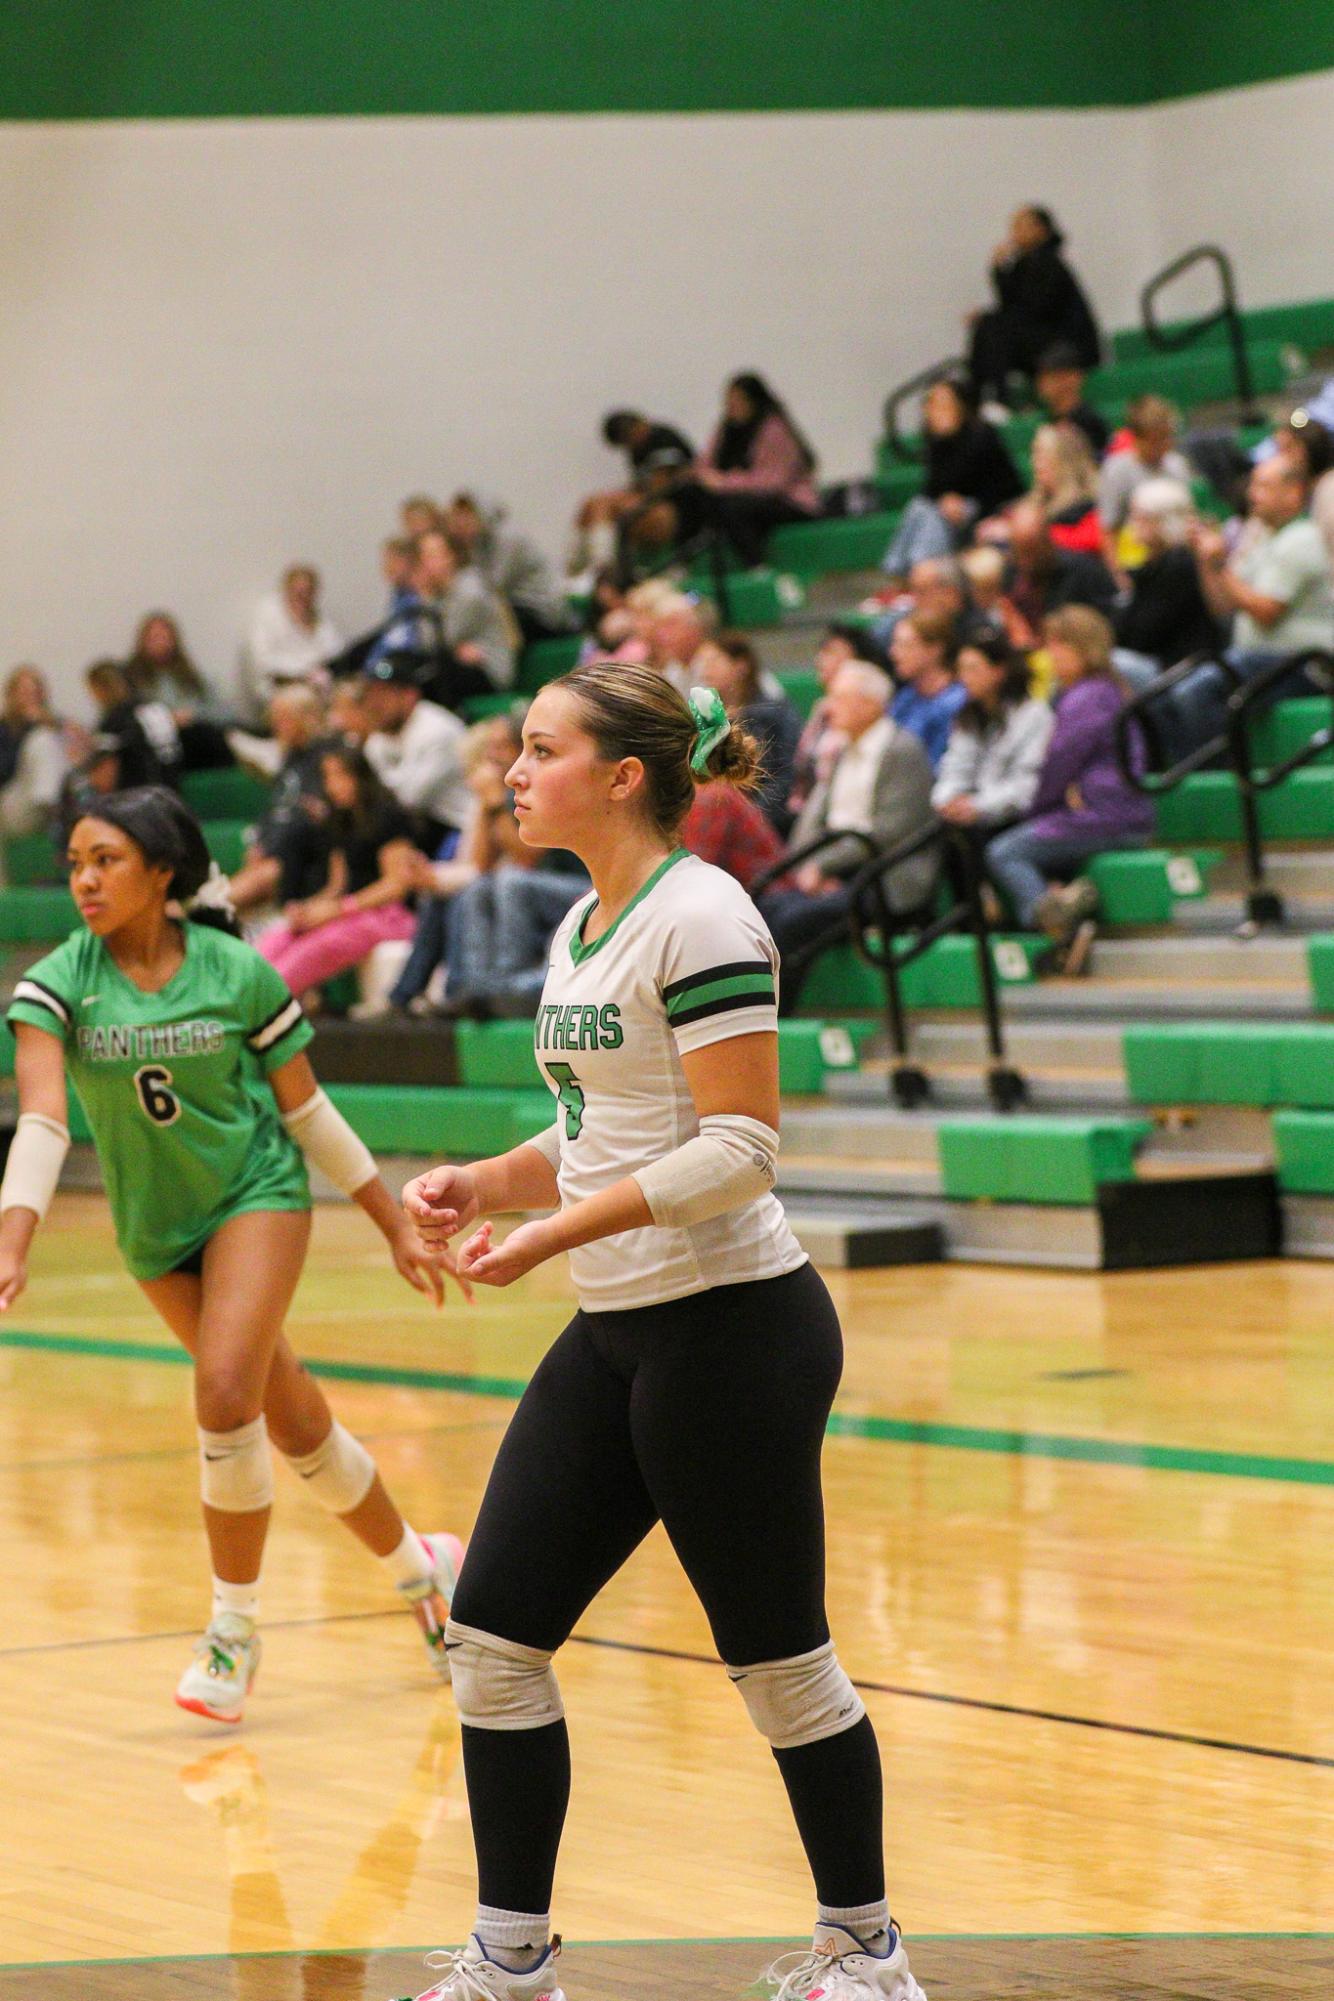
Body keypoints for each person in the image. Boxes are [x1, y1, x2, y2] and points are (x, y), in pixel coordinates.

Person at [394, 661, 929, 2001]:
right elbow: (599, 1136)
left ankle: (867, 1953)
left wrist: (555, 1232)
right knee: (495, 1637)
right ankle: (512, 1960)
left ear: (620, 774)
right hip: (620, 1326)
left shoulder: (705, 917)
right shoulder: (587, 922)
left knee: (775, 1658)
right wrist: (485, 1182)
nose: (511, 773)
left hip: (734, 1333)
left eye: (537, 749)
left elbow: (741, 1150)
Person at [0, 786, 465, 1725]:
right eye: (77, 863)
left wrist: (388, 1219)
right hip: (152, 1230)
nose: (85, 880)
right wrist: (16, 1235)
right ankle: (427, 1572)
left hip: (256, 1194)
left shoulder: (236, 970)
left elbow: (306, 1111)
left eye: (107, 860)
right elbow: (45, 1116)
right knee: (297, 1429)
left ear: (163, 872)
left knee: (222, 1393)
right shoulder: (55, 984)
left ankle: (233, 1631)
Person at [760, 662, 939, 1007]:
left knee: (796, 921)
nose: (828, 706)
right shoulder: (842, 749)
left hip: (884, 874)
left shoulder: (903, 750)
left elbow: (889, 831)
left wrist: (823, 867)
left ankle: (780, 1016)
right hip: (840, 869)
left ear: (872, 705)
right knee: (766, 907)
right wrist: (804, 867)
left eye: (840, 698)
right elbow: (815, 818)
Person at [983, 607, 1153, 964]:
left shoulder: (1086, 697)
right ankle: (1062, 908)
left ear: (1083, 648)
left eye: (1058, 645)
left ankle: (1056, 926)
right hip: (1112, 811)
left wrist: (1033, 812)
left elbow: (1059, 764)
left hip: (1107, 815)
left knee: (1005, 851)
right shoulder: (1106, 689)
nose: (1050, 655)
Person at [259, 744, 422, 1002]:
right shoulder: (339, 820)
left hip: (390, 914)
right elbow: (338, 884)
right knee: (277, 939)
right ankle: (246, 999)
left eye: (340, 775)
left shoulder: (389, 816)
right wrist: (309, 909)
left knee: (312, 950)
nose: (333, 784)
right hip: (351, 910)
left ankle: (261, 1006)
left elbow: (397, 885)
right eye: (328, 776)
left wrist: (340, 908)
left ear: (361, 776)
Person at [880, 375, 1023, 579]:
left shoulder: (983, 436)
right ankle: (899, 570)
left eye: (943, 404)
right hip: (952, 512)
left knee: (934, 515)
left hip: (990, 509)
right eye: (931, 405)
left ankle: (924, 571)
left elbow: (1002, 489)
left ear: (960, 406)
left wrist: (956, 503)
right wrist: (945, 499)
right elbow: (932, 490)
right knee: (920, 507)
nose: (935, 411)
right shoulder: (936, 443)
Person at [672, 372, 821, 567]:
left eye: (737, 400)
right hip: (744, 495)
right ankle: (684, 563)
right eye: (728, 400)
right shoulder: (726, 428)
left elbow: (772, 482)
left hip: (788, 501)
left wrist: (724, 482)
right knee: (690, 494)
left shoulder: (773, 429)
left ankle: (757, 567)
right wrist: (700, 476)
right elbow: (705, 463)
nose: (731, 406)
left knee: (733, 508)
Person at [967, 207, 1101, 407]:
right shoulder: (1023, 264)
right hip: (1040, 338)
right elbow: (1012, 305)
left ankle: (997, 398)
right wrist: (1000, 270)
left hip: (1066, 342)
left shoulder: (1049, 264)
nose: (1015, 233)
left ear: (1042, 229)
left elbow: (1036, 310)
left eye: (1022, 226)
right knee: (988, 326)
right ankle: (984, 397)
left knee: (992, 325)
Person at [373, 528, 518, 708]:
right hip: (460, 665)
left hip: (489, 672)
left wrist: (424, 594)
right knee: (401, 661)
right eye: (423, 557)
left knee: (431, 671)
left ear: (452, 557)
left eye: (433, 555)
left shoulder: (470, 591)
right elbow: (426, 643)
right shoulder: (442, 594)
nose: (426, 563)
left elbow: (438, 641)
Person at [227, 685, 335, 915]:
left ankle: (203, 909)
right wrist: (260, 842)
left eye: (283, 718)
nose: (276, 726)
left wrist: (271, 848)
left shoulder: (327, 759)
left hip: (306, 859)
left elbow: (309, 814)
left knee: (265, 874)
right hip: (275, 853)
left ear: (306, 719)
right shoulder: (291, 758)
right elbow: (277, 807)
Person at [932, 626, 1054, 829]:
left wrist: (979, 806)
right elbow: (954, 766)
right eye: (961, 669)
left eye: (973, 669)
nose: (964, 678)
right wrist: (946, 799)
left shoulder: (1035, 716)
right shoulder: (967, 716)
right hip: (965, 819)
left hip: (1013, 820)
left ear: (999, 671)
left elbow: (1028, 784)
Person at [359, 653, 473, 849]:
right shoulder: (378, 740)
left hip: (462, 825)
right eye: (371, 694)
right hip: (426, 828)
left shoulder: (436, 730)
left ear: (410, 695)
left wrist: (380, 792)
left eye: (384, 694)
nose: (375, 703)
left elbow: (409, 799)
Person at [696, 631, 802, 830]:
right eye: (702, 663)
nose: (705, 671)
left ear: (741, 666)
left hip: (767, 819)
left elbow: (785, 777)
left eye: (714, 661)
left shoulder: (773, 713)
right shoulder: (706, 716)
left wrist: (748, 818)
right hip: (720, 814)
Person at [1113, 478, 1220, 671]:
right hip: (1158, 659)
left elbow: (1143, 635)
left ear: (1162, 521)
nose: (1131, 524)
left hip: (1181, 666)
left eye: (1139, 517)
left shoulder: (1180, 565)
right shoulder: (1155, 563)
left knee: (1110, 662)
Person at [443, 492, 573, 643]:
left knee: (488, 623)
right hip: (515, 606)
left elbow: (494, 586)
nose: (462, 523)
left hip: (540, 610)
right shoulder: (480, 541)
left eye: (466, 517)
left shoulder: (508, 537)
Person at [125, 612, 235, 770]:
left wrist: (194, 715)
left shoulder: (192, 678)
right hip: (163, 744)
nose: (160, 643)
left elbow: (226, 712)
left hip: (198, 735)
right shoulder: (131, 681)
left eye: (165, 637)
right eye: (154, 638)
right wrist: (167, 720)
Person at [1097, 396, 1191, 566]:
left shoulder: (1177, 465)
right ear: (1137, 438)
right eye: (1156, 440)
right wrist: (1120, 578)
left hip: (1180, 559)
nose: (1164, 445)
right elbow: (1109, 532)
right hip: (1139, 562)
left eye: (1167, 437)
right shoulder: (1117, 471)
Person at [1005, 500, 1117, 635]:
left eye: (1031, 551)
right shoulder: (1011, 575)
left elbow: (1109, 623)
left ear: (1048, 541)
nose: (1025, 561)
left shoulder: (1085, 571)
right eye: (1019, 552)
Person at [244, 566, 343, 718]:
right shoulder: (269, 615)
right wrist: (303, 674)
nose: (303, 597)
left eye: (308, 592)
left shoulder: (321, 622)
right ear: (286, 590)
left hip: (317, 687)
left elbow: (336, 653)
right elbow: (263, 661)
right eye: (298, 592)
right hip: (279, 686)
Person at [0, 666, 73, 838]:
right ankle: (54, 811)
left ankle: (55, 810)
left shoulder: (56, 724)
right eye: (25, 692)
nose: (31, 697)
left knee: (48, 738)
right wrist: (28, 728)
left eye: (35, 691)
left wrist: (54, 726)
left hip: (57, 797)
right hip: (16, 802)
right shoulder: (4, 728)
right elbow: (5, 772)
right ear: (12, 695)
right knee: (41, 740)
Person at [889, 610, 967, 770]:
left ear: (935, 650)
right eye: (895, 644)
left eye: (905, 645)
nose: (894, 653)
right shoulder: (905, 697)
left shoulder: (957, 703)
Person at [85, 659, 181, 789]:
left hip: (136, 796)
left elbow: (104, 777)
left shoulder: (113, 721)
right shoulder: (156, 708)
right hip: (171, 792)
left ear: (100, 689)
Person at [1027, 423, 1102, 553]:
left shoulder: (1091, 505)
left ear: (1064, 460)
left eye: (1040, 454)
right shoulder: (1036, 505)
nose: (1033, 462)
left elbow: (1090, 541)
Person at [1032, 344, 1111, 458]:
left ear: (1073, 378)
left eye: (1051, 377)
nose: (1042, 385)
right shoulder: (1048, 421)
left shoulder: (1090, 422)